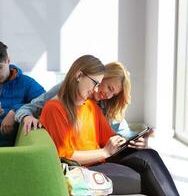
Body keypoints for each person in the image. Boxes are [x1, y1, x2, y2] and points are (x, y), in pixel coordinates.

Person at [39, 54, 180, 195]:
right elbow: (65, 156)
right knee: (150, 178)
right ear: (79, 75)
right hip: (81, 170)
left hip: (100, 162)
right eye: (95, 83)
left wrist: (127, 142)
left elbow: (108, 137)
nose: (95, 90)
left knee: (149, 155)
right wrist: (104, 152)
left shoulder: (90, 106)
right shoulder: (54, 108)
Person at [16, 61, 148, 148]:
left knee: (149, 155)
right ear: (102, 77)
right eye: (109, 88)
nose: (108, 95)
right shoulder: (65, 91)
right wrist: (26, 117)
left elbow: (122, 132)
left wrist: (137, 141)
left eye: (113, 94)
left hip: (103, 152)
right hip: (88, 155)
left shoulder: (104, 104)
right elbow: (28, 108)